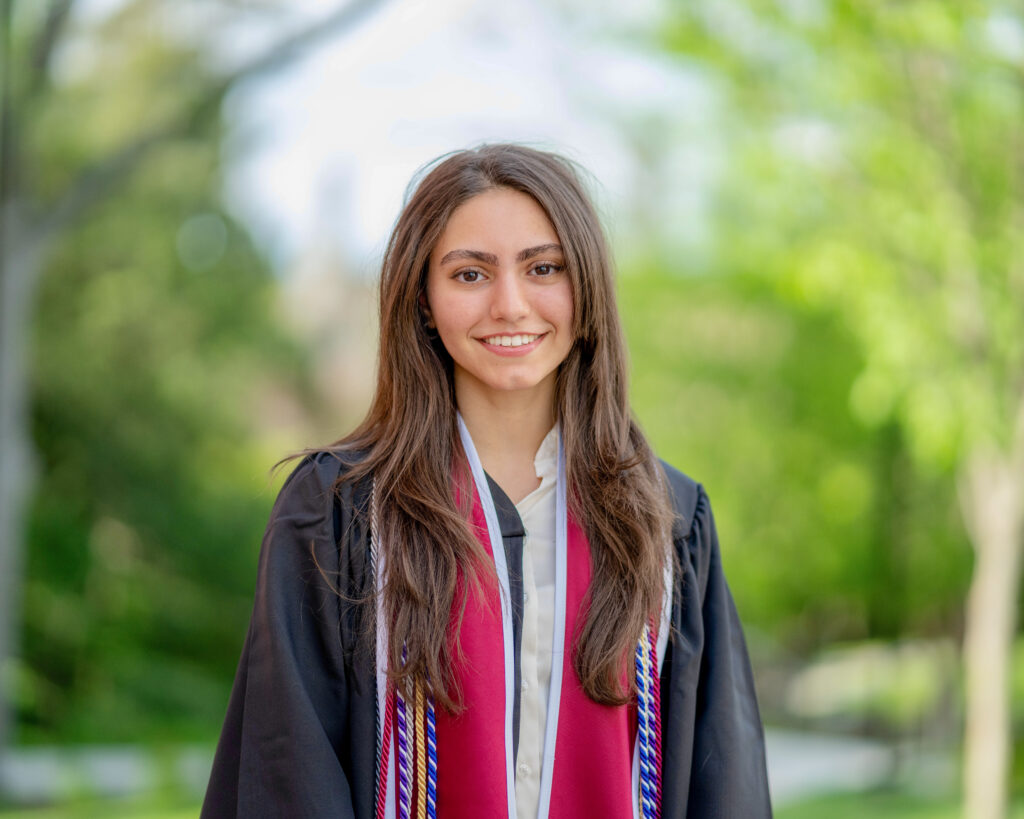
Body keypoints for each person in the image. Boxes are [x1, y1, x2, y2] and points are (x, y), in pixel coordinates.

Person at [201, 144, 772, 818]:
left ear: (585, 288)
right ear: (423, 298)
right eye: (470, 274)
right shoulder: (340, 514)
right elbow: (287, 771)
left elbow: (722, 786)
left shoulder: (667, 522)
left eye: (544, 268)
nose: (510, 304)